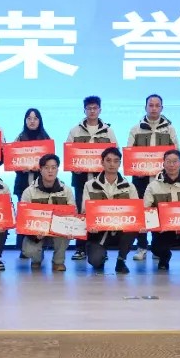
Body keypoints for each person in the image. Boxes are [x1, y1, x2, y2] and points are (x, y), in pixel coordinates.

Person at [126, 94, 180, 261]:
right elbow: (129, 153)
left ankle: (158, 248)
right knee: (141, 211)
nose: (154, 108)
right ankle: (142, 246)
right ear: (146, 107)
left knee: (160, 211)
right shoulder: (136, 128)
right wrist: (135, 168)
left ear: (162, 108)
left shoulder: (169, 129)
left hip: (162, 179)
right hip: (140, 178)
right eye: (151, 105)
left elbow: (176, 152)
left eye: (157, 105)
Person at [65, 96, 117, 261]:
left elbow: (114, 154)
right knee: (82, 213)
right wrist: (74, 165)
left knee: (101, 212)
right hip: (80, 179)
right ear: (84, 110)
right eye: (89, 108)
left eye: (95, 108)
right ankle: (80, 248)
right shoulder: (75, 131)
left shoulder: (108, 131)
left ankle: (101, 247)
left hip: (101, 181)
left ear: (100, 110)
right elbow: (69, 155)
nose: (92, 111)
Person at [82, 147, 139, 274]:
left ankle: (121, 260)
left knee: (134, 228)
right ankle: (100, 255)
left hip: (121, 231)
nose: (112, 164)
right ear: (102, 162)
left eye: (116, 161)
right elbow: (85, 211)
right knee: (95, 261)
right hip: (99, 232)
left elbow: (136, 212)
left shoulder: (130, 187)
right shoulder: (89, 185)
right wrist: (90, 223)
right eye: (108, 160)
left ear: (120, 163)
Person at [19, 153, 75, 272]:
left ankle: (58, 262)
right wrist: (33, 234)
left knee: (64, 234)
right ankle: (37, 259)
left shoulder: (66, 191)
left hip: (58, 232)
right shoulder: (29, 192)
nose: (50, 171)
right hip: (37, 231)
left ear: (57, 169)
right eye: (46, 167)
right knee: (28, 251)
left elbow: (73, 214)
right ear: (40, 170)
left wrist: (72, 228)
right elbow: (22, 218)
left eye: (53, 167)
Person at [12, 108, 50, 258]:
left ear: (40, 121)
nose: (32, 121)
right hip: (22, 183)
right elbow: (12, 161)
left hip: (42, 185)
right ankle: (23, 248)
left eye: (35, 118)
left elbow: (51, 163)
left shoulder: (46, 139)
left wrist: (40, 168)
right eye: (29, 118)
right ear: (25, 121)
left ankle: (40, 247)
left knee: (39, 216)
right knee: (24, 216)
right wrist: (21, 167)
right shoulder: (19, 138)